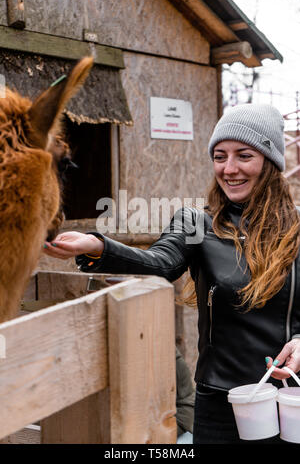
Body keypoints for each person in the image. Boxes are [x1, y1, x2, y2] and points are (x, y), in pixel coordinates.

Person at [44, 103, 300, 444]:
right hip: (220, 402)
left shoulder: (297, 227)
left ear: (269, 163)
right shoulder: (197, 223)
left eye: (244, 155)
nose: (229, 169)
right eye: (220, 156)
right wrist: (98, 247)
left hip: (288, 401)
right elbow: (160, 262)